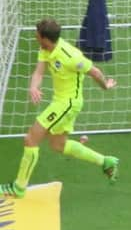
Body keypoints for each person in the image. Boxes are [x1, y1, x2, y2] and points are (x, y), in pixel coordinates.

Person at [1, 18, 119, 199]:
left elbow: (94, 71)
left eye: (37, 34)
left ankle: (19, 187)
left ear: (43, 37)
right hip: (60, 102)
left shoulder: (70, 56)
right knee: (58, 145)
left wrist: (105, 86)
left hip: (68, 103)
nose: (35, 36)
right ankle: (105, 161)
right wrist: (34, 87)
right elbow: (39, 72)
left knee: (31, 139)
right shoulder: (45, 49)